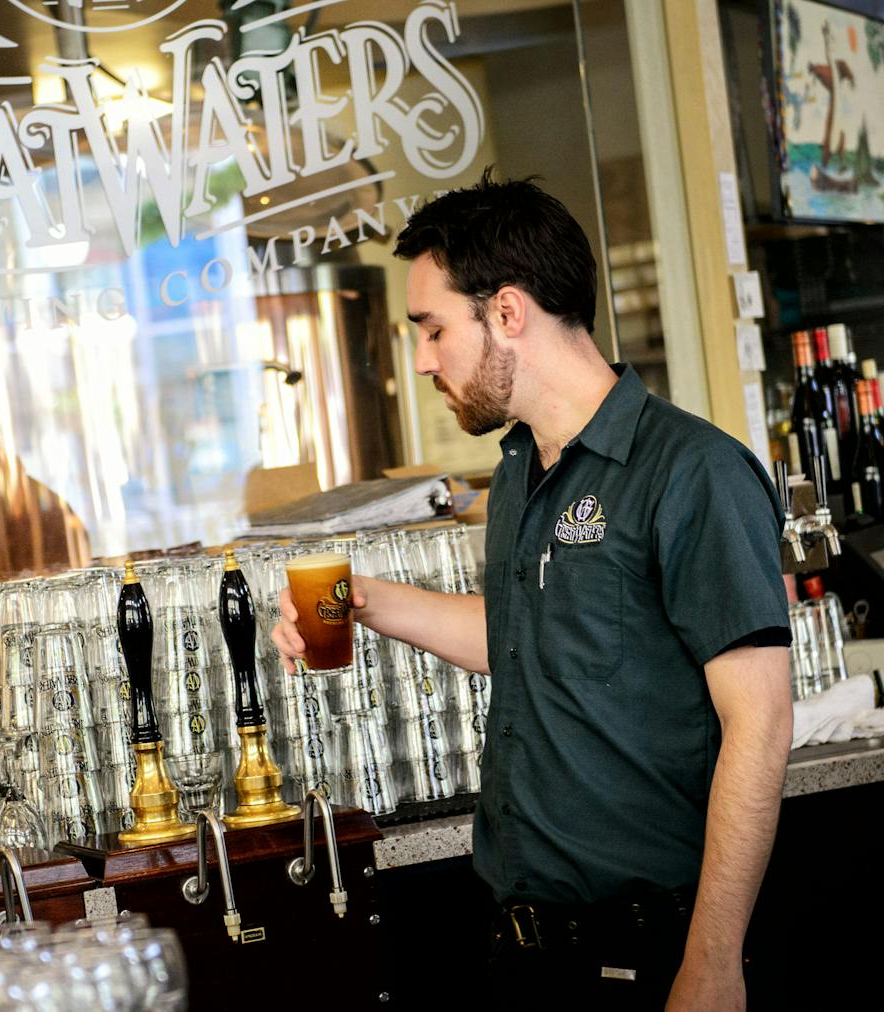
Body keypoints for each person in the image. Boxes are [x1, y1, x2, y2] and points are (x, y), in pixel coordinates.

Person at [271, 171, 793, 1010]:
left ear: (508, 312)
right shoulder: (521, 469)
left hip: (652, 947)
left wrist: (713, 961)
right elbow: (524, 634)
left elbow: (761, 723)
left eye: (434, 328)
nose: (423, 359)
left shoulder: (691, 471)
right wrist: (361, 600)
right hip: (526, 947)